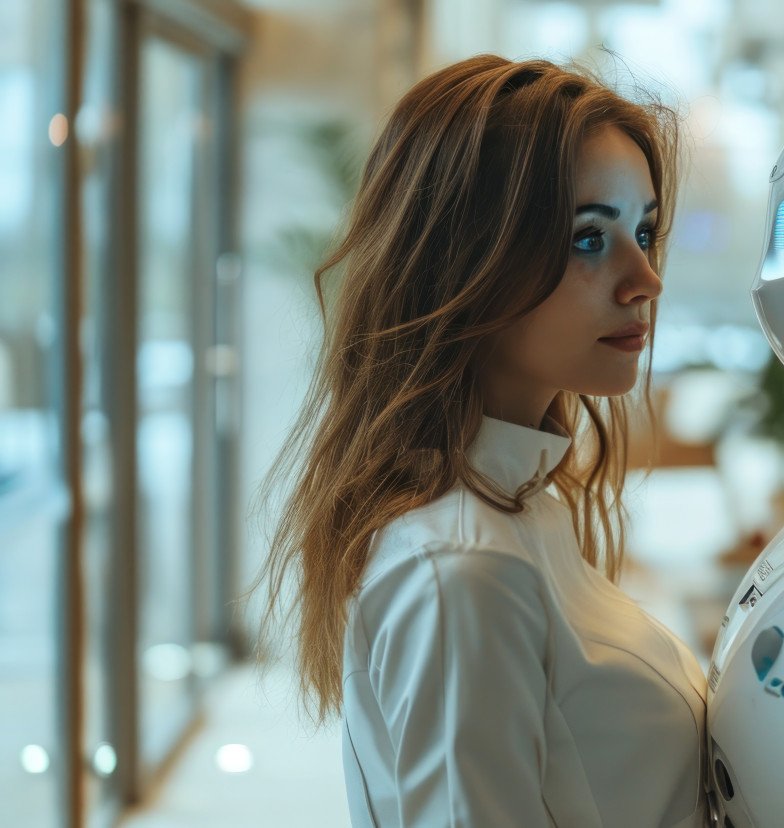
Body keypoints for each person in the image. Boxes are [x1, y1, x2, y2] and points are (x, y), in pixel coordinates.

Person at [249, 54, 708, 827]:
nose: (645, 279)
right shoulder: (466, 565)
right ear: (466, 256)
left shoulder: (519, 504)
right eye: (588, 239)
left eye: (646, 230)